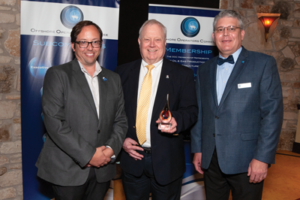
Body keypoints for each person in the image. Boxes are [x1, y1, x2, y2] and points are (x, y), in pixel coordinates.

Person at [191, 10, 283, 200]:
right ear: (213, 35)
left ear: (241, 33)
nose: (225, 34)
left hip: (248, 161)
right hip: (211, 160)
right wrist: (198, 149)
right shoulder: (203, 70)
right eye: (220, 29)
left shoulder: (263, 64)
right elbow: (201, 113)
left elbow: (272, 114)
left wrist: (262, 158)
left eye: (231, 28)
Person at [36, 20, 128, 200]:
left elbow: (121, 120)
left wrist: (109, 150)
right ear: (73, 45)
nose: (90, 47)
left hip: (103, 169)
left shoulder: (113, 78)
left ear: (101, 44)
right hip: (68, 170)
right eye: (83, 42)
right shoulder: (58, 75)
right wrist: (89, 155)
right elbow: (55, 122)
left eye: (95, 41)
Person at [115, 19, 198, 200]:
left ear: (165, 42)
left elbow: (191, 110)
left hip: (167, 163)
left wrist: (176, 120)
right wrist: (120, 139)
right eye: (147, 39)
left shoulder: (183, 74)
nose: (152, 45)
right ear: (139, 41)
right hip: (132, 161)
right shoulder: (121, 73)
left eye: (157, 40)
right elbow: (113, 114)